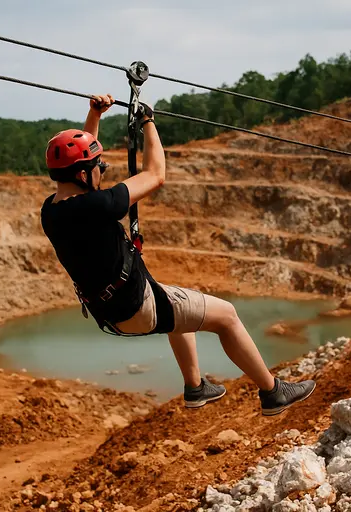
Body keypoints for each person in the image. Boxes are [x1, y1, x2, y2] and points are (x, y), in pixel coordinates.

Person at [40, 94, 315, 416]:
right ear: (84, 175)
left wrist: (94, 117)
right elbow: (156, 174)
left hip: (112, 312)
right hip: (137, 307)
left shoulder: (52, 210)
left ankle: (195, 387)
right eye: (98, 167)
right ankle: (273, 392)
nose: (102, 170)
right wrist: (148, 122)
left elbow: (82, 164)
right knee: (226, 316)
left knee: (179, 304)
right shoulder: (99, 206)